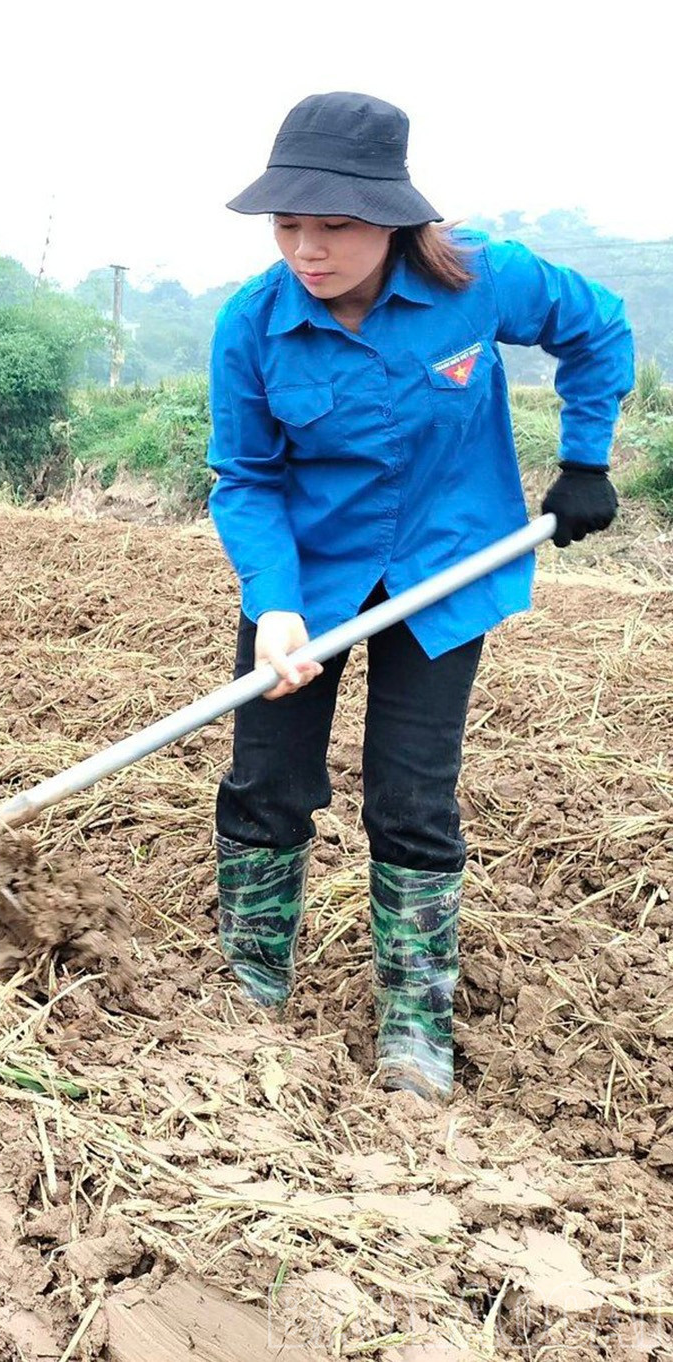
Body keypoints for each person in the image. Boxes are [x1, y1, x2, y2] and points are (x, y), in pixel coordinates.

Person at [207, 92, 632, 1103]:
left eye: (333, 226)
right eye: (287, 225)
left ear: (393, 218)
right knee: (265, 782)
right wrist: (271, 605)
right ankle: (248, 990)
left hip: (445, 568)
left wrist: (583, 461)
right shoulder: (251, 325)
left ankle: (413, 1022)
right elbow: (246, 477)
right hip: (303, 580)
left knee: (409, 794)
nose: (306, 249)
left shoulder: (480, 278)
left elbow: (596, 327)